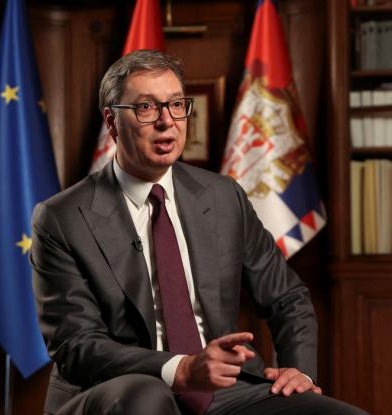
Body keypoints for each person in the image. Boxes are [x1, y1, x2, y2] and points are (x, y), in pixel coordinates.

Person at [31, 49, 368, 415]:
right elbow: (77, 346)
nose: (167, 122)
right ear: (112, 122)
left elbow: (287, 296)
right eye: (146, 108)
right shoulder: (62, 218)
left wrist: (297, 371)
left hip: (225, 391)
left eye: (177, 105)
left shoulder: (223, 196)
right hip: (118, 389)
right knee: (147, 397)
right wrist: (181, 369)